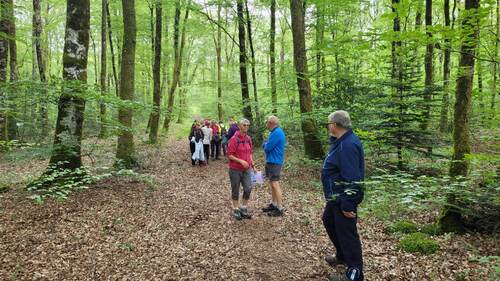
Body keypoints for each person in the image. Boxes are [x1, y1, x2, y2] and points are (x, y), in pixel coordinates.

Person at [321, 111, 365, 281]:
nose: (328, 127)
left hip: (343, 199)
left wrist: (347, 204)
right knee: (329, 221)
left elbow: (353, 177)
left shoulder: (348, 145)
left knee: (348, 234)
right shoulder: (340, 142)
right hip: (334, 198)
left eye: (328, 124)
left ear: (335, 125)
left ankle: (355, 274)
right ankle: (342, 255)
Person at [226, 118, 254, 220]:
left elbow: (250, 152)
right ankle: (236, 209)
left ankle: (243, 207)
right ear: (239, 126)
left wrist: (252, 163)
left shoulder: (248, 139)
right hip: (235, 169)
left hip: (247, 169)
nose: (246, 127)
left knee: (248, 188)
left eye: (248, 125)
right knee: (235, 189)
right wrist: (241, 161)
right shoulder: (234, 139)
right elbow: (229, 155)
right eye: (244, 125)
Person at [261, 115, 287, 217]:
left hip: (275, 161)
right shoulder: (274, 132)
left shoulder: (276, 133)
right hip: (272, 160)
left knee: (275, 184)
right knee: (272, 184)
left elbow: (267, 148)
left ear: (271, 123)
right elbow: (268, 145)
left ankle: (280, 208)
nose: (266, 124)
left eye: (267, 122)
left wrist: (265, 144)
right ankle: (274, 204)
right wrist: (266, 144)